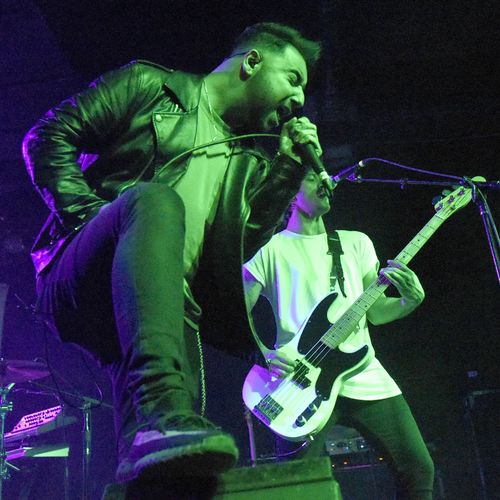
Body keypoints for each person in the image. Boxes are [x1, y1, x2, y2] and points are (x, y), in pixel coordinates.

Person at [22, 22, 323, 484]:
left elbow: (238, 247)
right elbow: (47, 137)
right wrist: (93, 218)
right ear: (252, 62)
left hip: (165, 310)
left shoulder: (249, 161)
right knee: (154, 200)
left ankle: (152, 437)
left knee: (172, 459)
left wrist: (288, 170)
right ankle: (160, 404)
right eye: (293, 79)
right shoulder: (149, 85)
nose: (300, 98)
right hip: (82, 270)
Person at [242, 169, 435, 499]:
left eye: (326, 175)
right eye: (313, 177)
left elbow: (376, 312)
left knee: (419, 468)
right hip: (299, 379)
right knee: (295, 484)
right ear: (290, 193)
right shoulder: (270, 248)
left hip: (362, 371)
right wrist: (262, 352)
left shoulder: (356, 242)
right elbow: (236, 310)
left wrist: (409, 301)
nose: (326, 182)